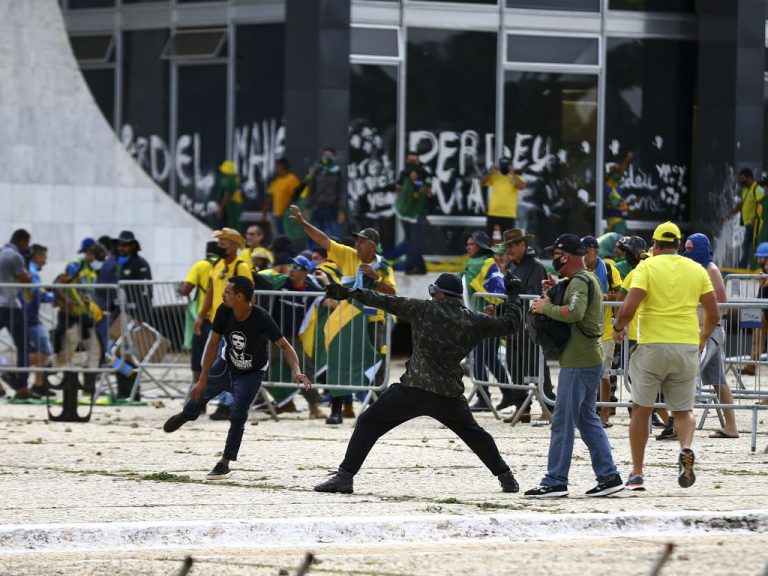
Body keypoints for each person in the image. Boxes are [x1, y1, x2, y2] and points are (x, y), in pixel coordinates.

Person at [313, 272, 523, 494]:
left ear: (438, 293)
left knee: (368, 422)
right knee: (475, 434)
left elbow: (384, 300)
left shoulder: (424, 309)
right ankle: (506, 477)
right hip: (449, 394)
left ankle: (345, 477)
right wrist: (513, 296)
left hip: (414, 389)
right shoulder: (474, 320)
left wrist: (349, 293)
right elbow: (510, 324)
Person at [164, 276, 311, 479]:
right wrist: (203, 378)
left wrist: (296, 370)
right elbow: (213, 344)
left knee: (238, 413)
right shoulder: (224, 311)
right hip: (226, 364)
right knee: (199, 395)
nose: (223, 295)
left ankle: (224, 462)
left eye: (227, 292)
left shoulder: (261, 317)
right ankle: (186, 415)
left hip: (252, 372)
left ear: (240, 297)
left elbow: (285, 345)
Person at [612, 222, 719, 491]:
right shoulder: (696, 269)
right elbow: (714, 313)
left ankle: (637, 474)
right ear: (680, 245)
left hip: (652, 346)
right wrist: (702, 337)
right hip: (685, 345)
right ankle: (685, 447)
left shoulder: (646, 267)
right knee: (683, 411)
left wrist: (617, 328)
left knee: (641, 410)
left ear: (655, 245)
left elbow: (628, 306)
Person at [525, 234, 623, 498]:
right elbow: (572, 304)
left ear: (564, 256)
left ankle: (555, 480)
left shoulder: (580, 281)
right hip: (586, 359)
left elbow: (575, 312)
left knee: (562, 420)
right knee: (587, 419)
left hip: (579, 362)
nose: (553, 260)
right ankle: (609, 476)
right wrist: (554, 291)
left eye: (556, 255)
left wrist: (545, 309)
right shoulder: (581, 280)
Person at [289, 204, 395, 421]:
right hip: (346, 320)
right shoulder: (349, 256)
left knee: (376, 364)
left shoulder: (384, 267)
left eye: (361, 241)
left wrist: (375, 278)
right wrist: (302, 223)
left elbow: (392, 293)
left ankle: (377, 409)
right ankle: (336, 410)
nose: (357, 244)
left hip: (372, 320)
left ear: (372, 246)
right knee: (340, 362)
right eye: (356, 241)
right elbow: (323, 240)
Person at [683, 233, 739, 439]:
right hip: (704, 330)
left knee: (688, 373)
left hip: (710, 331)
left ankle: (679, 423)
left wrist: (702, 314)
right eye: (685, 247)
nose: (687, 251)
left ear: (699, 248)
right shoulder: (696, 269)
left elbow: (722, 305)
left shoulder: (711, 270)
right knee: (719, 382)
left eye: (690, 248)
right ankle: (731, 427)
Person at [257, 255, 325, 419]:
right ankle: (244, 401)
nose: (292, 270)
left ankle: (313, 406)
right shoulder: (281, 282)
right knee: (257, 366)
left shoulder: (311, 288)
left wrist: (325, 282)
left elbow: (328, 295)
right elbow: (261, 279)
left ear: (305, 272)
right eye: (291, 266)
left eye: (297, 268)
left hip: (292, 338)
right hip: (272, 335)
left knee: (304, 370)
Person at [497, 228, 554, 423]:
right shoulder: (512, 266)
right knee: (516, 369)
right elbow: (510, 295)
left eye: (513, 245)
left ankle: (549, 407)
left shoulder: (535, 266)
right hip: (514, 326)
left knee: (537, 367)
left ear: (523, 244)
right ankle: (522, 408)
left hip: (530, 326)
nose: (509, 249)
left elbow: (530, 294)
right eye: (507, 246)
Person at [194, 228, 251, 419]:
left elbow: (250, 295)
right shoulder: (217, 264)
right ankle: (223, 402)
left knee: (227, 363)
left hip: (234, 321)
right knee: (213, 362)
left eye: (223, 242)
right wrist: (201, 315)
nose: (219, 245)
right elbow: (210, 291)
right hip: (217, 320)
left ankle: (228, 404)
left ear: (234, 245)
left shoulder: (241, 266)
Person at [460, 231, 509, 412]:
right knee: (489, 358)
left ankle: (484, 397)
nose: (468, 247)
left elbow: (497, 292)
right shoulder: (478, 264)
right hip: (481, 320)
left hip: (486, 320)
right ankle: (509, 392)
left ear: (480, 247)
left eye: (471, 244)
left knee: (479, 358)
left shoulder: (485, 263)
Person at [582, 235, 622, 427]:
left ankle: (605, 412)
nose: (583, 255)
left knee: (604, 374)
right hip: (583, 330)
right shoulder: (577, 269)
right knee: (583, 372)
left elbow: (621, 295)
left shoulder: (608, 269)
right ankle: (586, 410)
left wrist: (605, 296)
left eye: (586, 251)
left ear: (595, 251)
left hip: (605, 329)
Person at [179, 241, 224, 384]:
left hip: (205, 318)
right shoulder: (224, 266)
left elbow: (185, 290)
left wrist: (180, 287)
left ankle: (198, 393)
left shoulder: (200, 266)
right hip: (224, 318)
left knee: (199, 357)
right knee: (220, 357)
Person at [0, 229, 33, 399]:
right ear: (21, 241)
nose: (26, 247)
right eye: (26, 243)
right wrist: (28, 271)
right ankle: (22, 386)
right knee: (23, 345)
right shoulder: (14, 256)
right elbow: (25, 278)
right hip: (10, 305)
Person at [22, 244, 54, 396]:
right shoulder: (32, 271)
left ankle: (38, 383)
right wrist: (54, 297)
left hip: (29, 316)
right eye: (44, 258)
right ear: (37, 256)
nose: (45, 262)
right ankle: (12, 370)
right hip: (29, 317)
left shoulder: (30, 270)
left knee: (40, 350)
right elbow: (36, 293)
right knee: (44, 350)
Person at [394, 151, 433, 275]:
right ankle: (419, 266)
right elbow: (398, 190)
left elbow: (429, 192)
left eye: (414, 161)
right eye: (410, 161)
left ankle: (411, 266)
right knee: (411, 240)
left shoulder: (424, 174)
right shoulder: (403, 175)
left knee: (416, 239)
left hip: (419, 212)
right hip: (406, 212)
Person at [726, 168, 765, 269]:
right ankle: (749, 266)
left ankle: (744, 267)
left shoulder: (757, 189)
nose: (741, 181)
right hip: (748, 224)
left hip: (755, 224)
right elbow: (742, 205)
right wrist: (731, 213)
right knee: (749, 245)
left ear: (749, 178)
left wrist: (754, 220)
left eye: (743, 178)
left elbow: (761, 205)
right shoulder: (746, 190)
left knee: (748, 245)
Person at [305, 148, 346, 240]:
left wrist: (341, 210)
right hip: (318, 208)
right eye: (325, 155)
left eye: (329, 155)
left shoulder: (337, 172)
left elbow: (342, 192)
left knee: (334, 237)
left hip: (332, 209)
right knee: (315, 235)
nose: (327, 158)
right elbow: (311, 189)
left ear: (334, 157)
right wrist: (307, 207)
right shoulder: (317, 171)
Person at [482, 157, 527, 239]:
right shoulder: (494, 176)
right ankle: (487, 252)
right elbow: (482, 183)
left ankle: (506, 252)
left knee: (507, 241)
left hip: (508, 214)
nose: (504, 168)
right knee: (487, 239)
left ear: (511, 166)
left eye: (506, 165)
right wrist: (490, 173)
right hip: (493, 212)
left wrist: (513, 174)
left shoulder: (516, 176)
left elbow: (522, 186)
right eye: (502, 165)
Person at [262, 158, 301, 237]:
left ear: (282, 166)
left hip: (287, 215)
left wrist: (289, 210)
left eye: (277, 166)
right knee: (277, 236)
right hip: (276, 214)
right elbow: (271, 196)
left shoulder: (292, 179)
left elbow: (296, 197)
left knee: (288, 236)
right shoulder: (276, 180)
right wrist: (265, 210)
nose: (276, 169)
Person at [604, 152, 633, 235]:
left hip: (617, 219)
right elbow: (617, 205)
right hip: (614, 221)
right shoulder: (608, 187)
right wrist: (627, 159)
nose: (621, 174)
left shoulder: (616, 185)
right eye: (616, 172)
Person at [215, 160, 244, 231]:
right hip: (236, 204)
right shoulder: (235, 178)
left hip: (230, 205)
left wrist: (220, 208)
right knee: (235, 226)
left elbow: (227, 194)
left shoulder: (228, 179)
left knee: (229, 227)